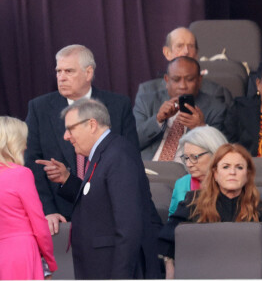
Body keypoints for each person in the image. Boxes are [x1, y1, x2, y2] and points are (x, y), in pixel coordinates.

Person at [37, 98, 161, 279]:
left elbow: (129, 226)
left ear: (92, 125)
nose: (66, 136)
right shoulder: (105, 152)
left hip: (115, 269)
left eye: (70, 129)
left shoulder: (117, 154)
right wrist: (67, 179)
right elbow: (97, 200)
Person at [25, 44, 139, 235]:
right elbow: (31, 164)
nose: (61, 77)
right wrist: (47, 210)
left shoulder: (118, 106)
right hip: (59, 217)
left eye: (69, 71)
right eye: (58, 71)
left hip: (109, 214)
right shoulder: (39, 108)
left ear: (88, 73)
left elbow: (130, 161)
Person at [158, 143, 262, 279]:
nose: (232, 172)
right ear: (215, 173)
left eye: (239, 167)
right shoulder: (192, 203)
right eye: (226, 167)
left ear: (247, 174)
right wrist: (170, 270)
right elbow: (166, 242)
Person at [133, 55, 227, 161]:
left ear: (199, 80)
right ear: (166, 80)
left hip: (185, 172)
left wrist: (200, 128)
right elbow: (132, 142)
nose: (182, 86)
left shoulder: (216, 108)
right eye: (176, 80)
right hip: (149, 168)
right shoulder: (147, 101)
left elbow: (222, 154)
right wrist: (157, 120)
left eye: (190, 79)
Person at [0, 116, 57, 279]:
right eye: (23, 141)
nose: (26, 146)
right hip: (21, 254)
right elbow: (39, 223)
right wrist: (50, 261)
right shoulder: (20, 174)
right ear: (13, 143)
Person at [137, 27, 233, 106]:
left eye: (191, 46)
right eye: (180, 46)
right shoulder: (147, 91)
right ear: (167, 53)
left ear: (196, 54)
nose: (186, 51)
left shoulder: (214, 92)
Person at [168, 125, 228, 216]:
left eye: (194, 157)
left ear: (215, 153)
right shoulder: (182, 184)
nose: (188, 164)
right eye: (186, 158)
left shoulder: (233, 180)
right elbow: (173, 222)